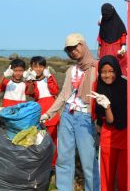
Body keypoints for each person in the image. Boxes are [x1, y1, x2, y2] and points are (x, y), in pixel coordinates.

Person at [41, 33, 99, 191]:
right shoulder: (70, 70)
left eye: (75, 47)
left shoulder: (97, 67)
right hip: (67, 115)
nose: (73, 51)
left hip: (85, 117)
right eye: (69, 50)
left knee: (89, 161)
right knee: (63, 159)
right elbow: (63, 95)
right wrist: (48, 113)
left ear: (83, 45)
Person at [90, 55, 127, 191]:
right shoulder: (99, 87)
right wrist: (107, 107)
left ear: (117, 70)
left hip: (126, 137)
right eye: (104, 72)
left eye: (111, 71)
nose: (107, 75)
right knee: (106, 177)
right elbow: (109, 121)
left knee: (124, 178)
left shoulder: (127, 86)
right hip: (108, 136)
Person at [27, 56, 59, 167]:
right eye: (35, 66)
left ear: (45, 67)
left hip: (52, 114)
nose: (38, 69)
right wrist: (30, 80)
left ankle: (53, 165)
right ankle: (41, 165)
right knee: (40, 141)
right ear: (31, 67)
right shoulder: (31, 80)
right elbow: (30, 93)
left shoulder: (49, 77)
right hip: (39, 115)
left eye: (41, 66)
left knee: (53, 141)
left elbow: (55, 91)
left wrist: (49, 76)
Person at [97, 3, 128, 76]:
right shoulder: (103, 22)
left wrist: (123, 47)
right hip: (107, 50)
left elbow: (122, 35)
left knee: (117, 71)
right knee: (107, 70)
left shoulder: (117, 23)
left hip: (115, 51)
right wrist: (99, 48)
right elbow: (100, 37)